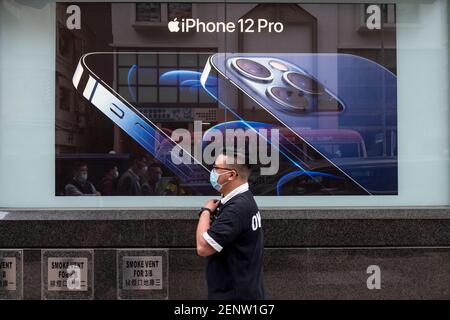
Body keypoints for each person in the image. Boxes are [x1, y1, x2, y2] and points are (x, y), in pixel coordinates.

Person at [195, 150, 265, 300]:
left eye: (216, 168)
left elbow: (203, 247)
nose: (212, 172)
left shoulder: (236, 209)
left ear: (231, 175)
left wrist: (206, 211)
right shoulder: (244, 199)